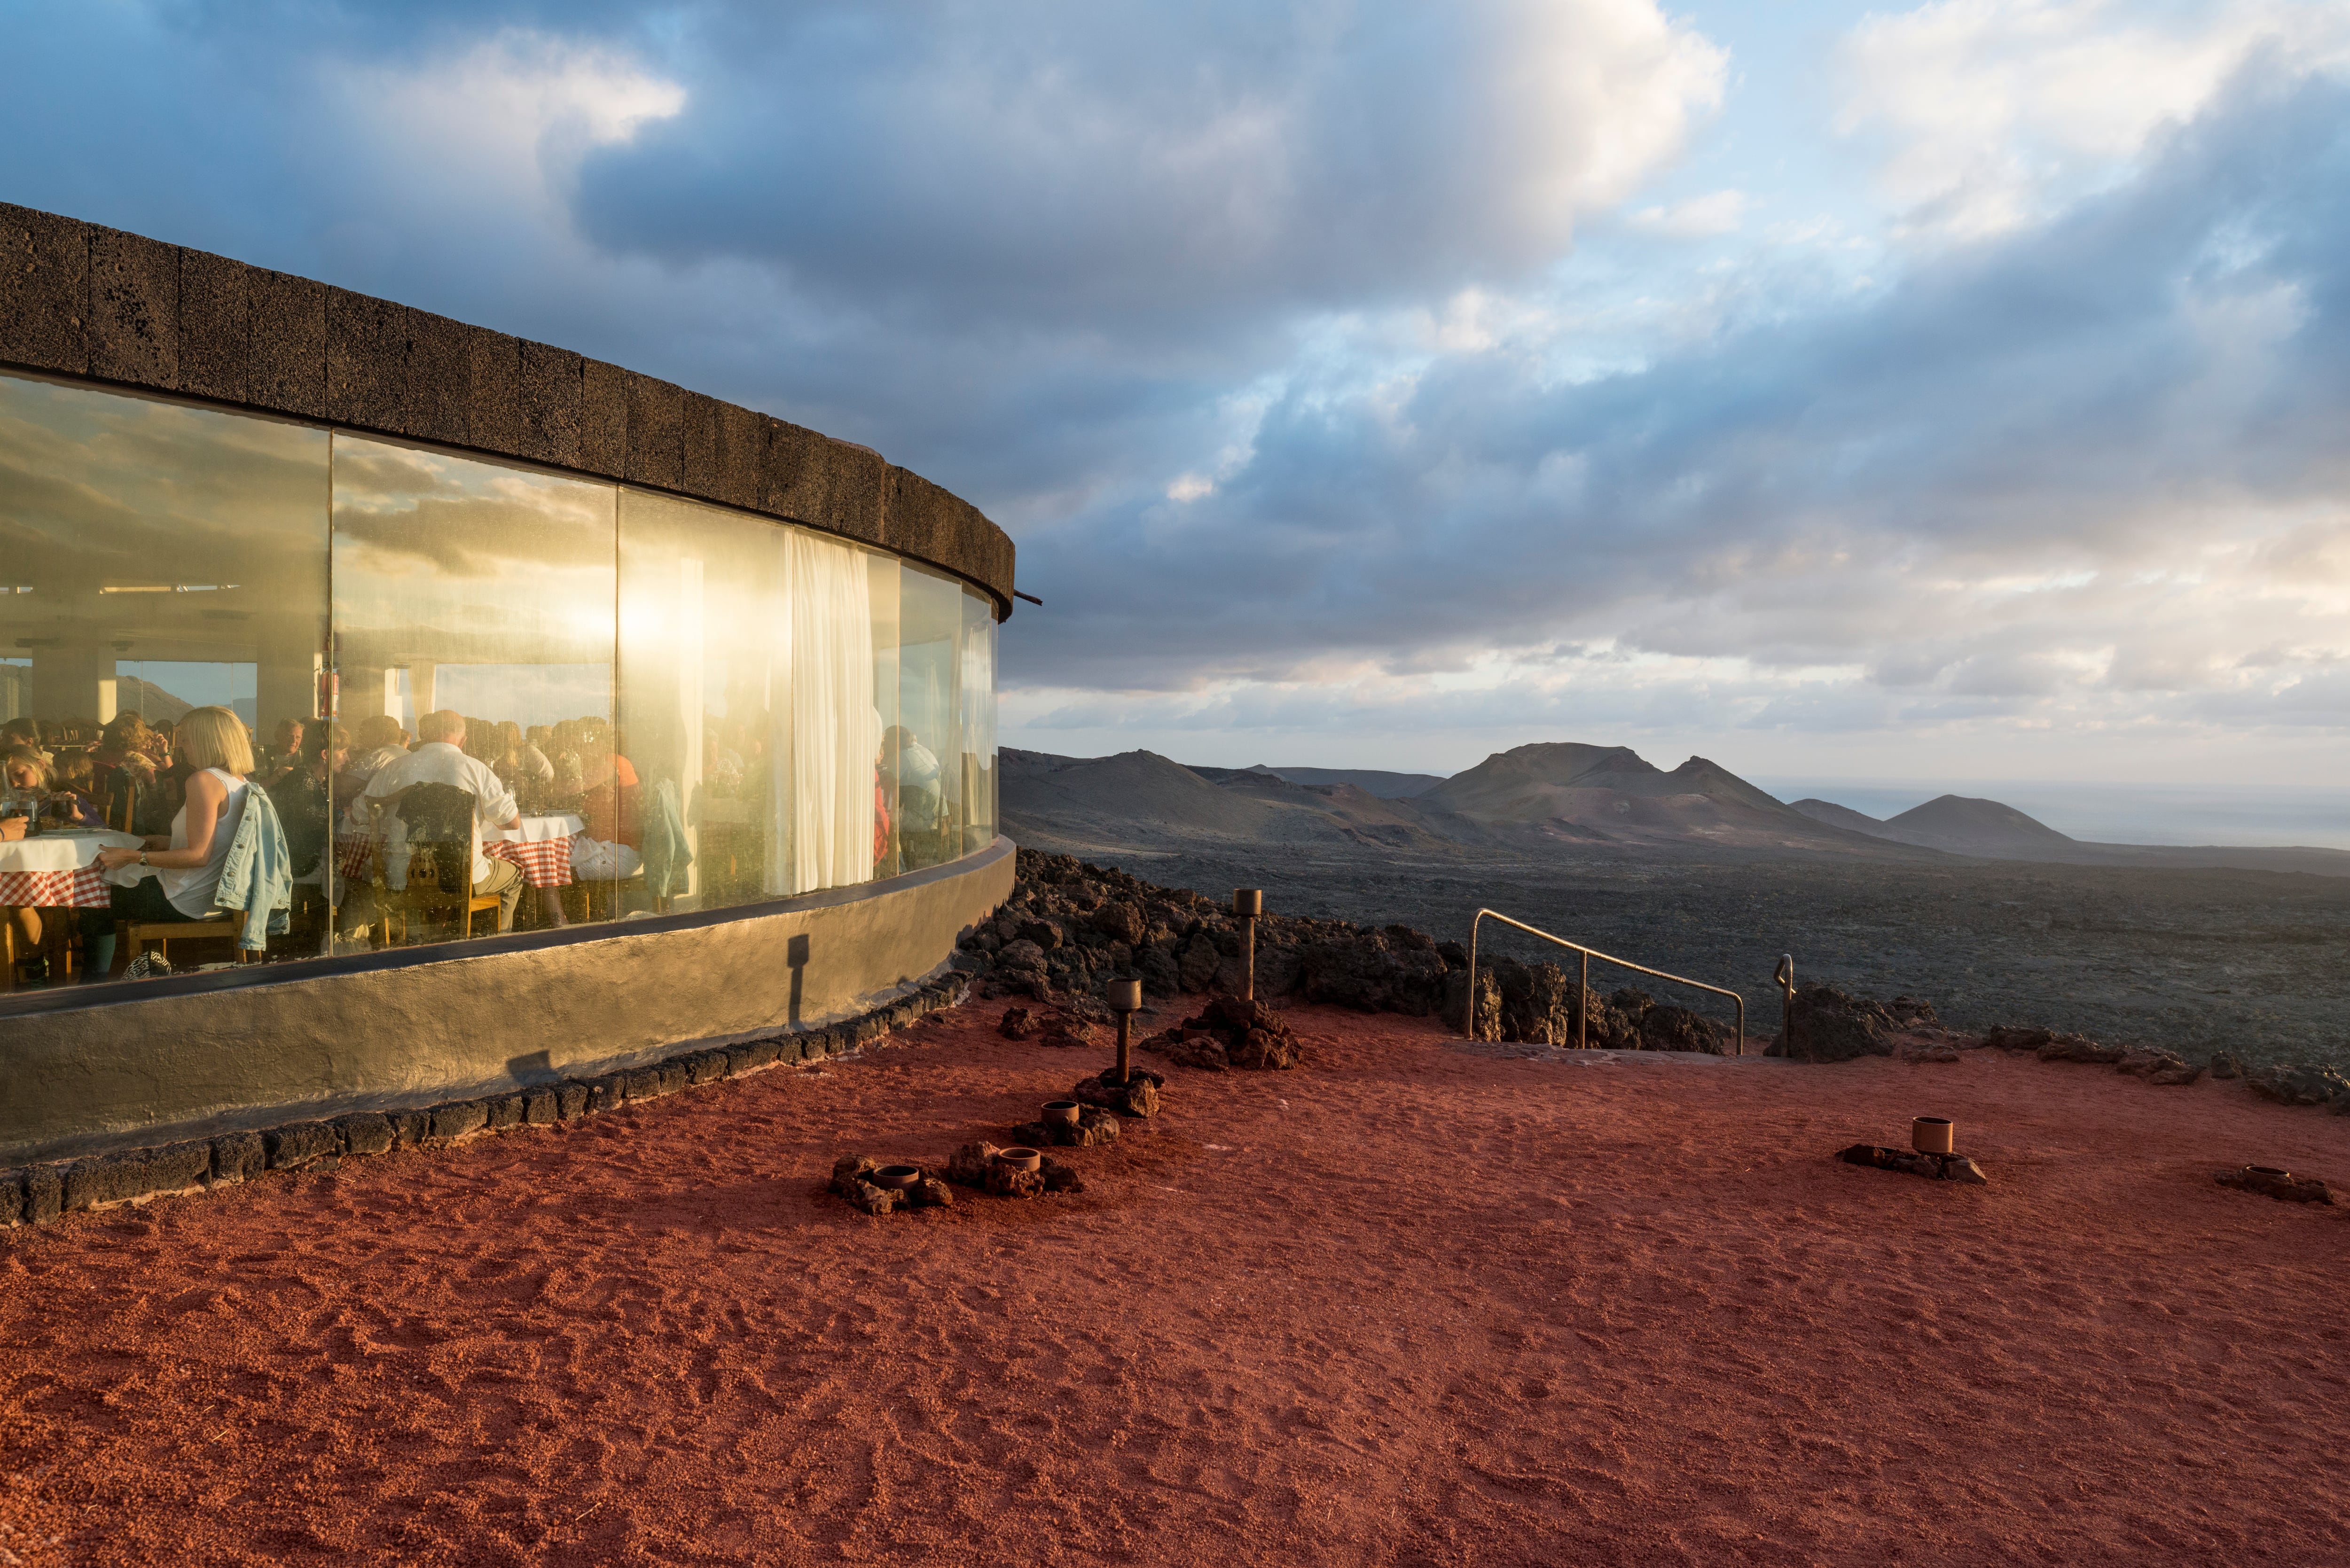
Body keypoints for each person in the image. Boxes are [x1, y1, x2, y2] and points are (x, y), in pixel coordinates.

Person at [86, 706, 260, 977]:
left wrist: (133, 857)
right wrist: (165, 841)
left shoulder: (204, 780)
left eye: (187, 738)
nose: (181, 746)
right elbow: (218, 841)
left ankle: (90, 991)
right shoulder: (240, 782)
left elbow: (198, 856)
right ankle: (147, 971)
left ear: (207, 741)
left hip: (188, 900)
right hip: (220, 898)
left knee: (93, 900)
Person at [351, 709, 527, 931]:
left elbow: (358, 816)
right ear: (463, 740)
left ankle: (416, 939)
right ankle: (495, 946)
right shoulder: (475, 769)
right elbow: (512, 823)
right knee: (513, 877)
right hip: (462, 878)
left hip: (400, 879)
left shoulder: (394, 768)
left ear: (424, 734)